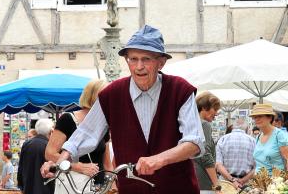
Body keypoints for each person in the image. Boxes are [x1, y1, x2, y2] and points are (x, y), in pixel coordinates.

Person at [41, 25, 205, 194]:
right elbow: (86, 133)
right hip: (132, 189)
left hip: (177, 188)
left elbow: (194, 141)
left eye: (146, 59)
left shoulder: (180, 90)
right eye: (133, 59)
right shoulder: (111, 94)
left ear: (161, 63)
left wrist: (158, 160)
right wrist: (60, 161)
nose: (138, 66)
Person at [44, 79, 113, 194]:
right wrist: (77, 166)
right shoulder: (68, 119)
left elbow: (107, 164)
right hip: (74, 185)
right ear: (93, 97)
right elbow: (49, 154)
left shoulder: (103, 125)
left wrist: (113, 184)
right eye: (105, 96)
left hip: (99, 188)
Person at [193, 91, 222, 193]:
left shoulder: (191, 124)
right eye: (215, 109)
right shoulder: (204, 124)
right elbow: (205, 154)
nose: (216, 113)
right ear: (205, 108)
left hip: (193, 179)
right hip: (204, 182)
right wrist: (217, 185)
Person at [215, 118, 255, 189]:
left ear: (232, 127)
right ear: (246, 128)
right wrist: (242, 180)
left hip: (226, 184)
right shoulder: (253, 141)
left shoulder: (222, 139)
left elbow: (218, 165)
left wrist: (232, 180)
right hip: (246, 184)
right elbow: (256, 167)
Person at [18, 118, 54, 194]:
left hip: (28, 187)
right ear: (51, 131)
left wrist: (21, 186)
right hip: (45, 189)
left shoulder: (26, 145)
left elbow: (21, 167)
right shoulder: (49, 146)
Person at [250, 104, 288, 173]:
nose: (257, 119)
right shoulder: (258, 136)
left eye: (260, 116)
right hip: (259, 181)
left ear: (270, 117)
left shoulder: (279, 135)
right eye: (255, 117)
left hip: (275, 181)